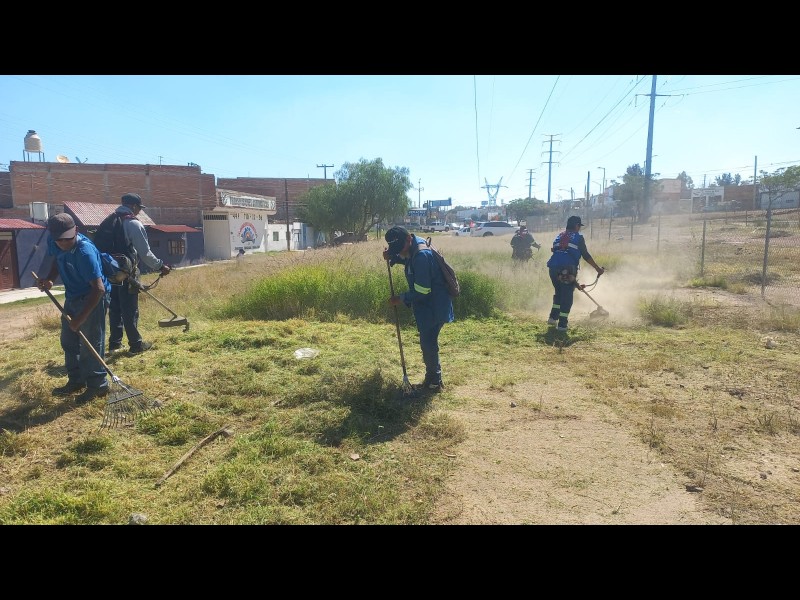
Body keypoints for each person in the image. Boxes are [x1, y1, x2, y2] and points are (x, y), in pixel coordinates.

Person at [36, 213, 111, 405]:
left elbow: (99, 289)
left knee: (90, 343)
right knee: (68, 340)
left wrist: (80, 318)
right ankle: (76, 380)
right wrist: (50, 279)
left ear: (76, 230)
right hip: (72, 296)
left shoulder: (85, 252)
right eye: (59, 239)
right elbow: (57, 259)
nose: (63, 243)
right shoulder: (55, 241)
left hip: (93, 297)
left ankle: (98, 385)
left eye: (67, 238)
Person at [383, 225, 454, 393]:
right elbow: (408, 258)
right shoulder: (414, 245)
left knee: (428, 343)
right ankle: (432, 378)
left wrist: (400, 298)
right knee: (428, 342)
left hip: (433, 306)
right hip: (428, 305)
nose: (400, 251)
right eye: (395, 249)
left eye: (399, 248)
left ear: (408, 238)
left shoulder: (421, 255)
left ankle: (434, 382)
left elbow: (422, 290)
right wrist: (394, 257)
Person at [107, 193, 171, 354]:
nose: (139, 211)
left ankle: (115, 344)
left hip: (109, 272)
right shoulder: (133, 224)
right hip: (127, 273)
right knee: (130, 310)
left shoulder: (110, 220)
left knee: (115, 309)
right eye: (139, 208)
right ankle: (136, 345)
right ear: (134, 206)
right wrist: (160, 266)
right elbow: (145, 253)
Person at [545, 215, 604, 332]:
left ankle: (552, 318)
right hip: (567, 269)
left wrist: (575, 284)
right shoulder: (578, 237)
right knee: (567, 297)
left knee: (559, 293)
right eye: (579, 226)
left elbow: (560, 253)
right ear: (577, 225)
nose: (579, 228)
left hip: (553, 268)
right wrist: (597, 268)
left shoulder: (560, 236)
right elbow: (585, 255)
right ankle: (562, 325)